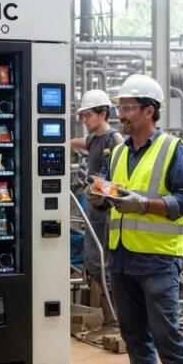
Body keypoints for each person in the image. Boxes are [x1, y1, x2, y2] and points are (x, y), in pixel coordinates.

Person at [87, 74, 183, 364]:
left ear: (150, 111)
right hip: (122, 256)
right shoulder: (120, 151)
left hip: (157, 258)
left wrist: (146, 204)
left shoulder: (172, 149)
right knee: (134, 335)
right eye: (120, 108)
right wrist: (99, 198)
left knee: (166, 335)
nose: (121, 114)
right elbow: (112, 193)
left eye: (128, 108)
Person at [71, 88, 124, 323]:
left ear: (103, 114)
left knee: (107, 262)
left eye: (88, 115)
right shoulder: (93, 139)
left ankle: (116, 316)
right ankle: (109, 313)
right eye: (83, 116)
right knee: (93, 261)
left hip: (109, 212)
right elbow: (80, 142)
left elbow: (123, 186)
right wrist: (59, 143)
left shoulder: (115, 140)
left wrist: (99, 188)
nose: (85, 120)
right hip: (94, 210)